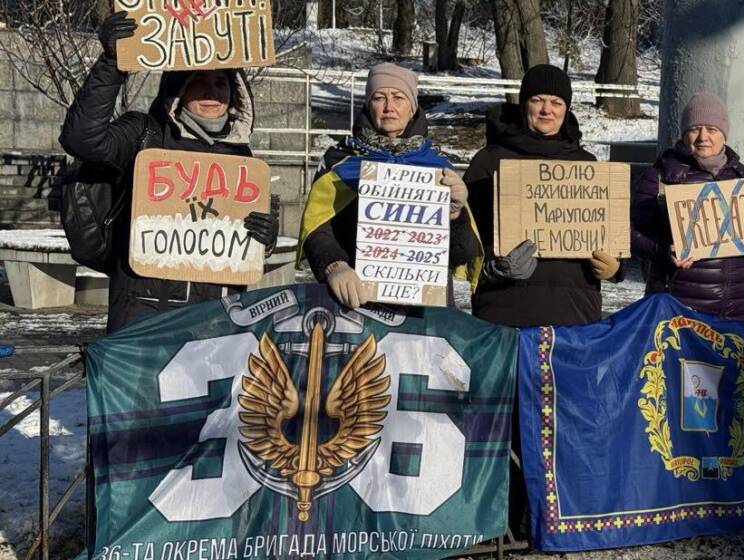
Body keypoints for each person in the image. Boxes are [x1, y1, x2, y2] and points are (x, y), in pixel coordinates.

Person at [58, 12, 278, 333]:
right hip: (144, 314)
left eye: (221, 83)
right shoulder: (142, 135)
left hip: (216, 320)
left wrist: (263, 239)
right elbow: (81, 139)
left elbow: (238, 241)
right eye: (199, 82)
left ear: (235, 94)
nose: (211, 93)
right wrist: (111, 63)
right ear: (178, 90)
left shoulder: (241, 155)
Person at [298, 62, 479, 309]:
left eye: (398, 97)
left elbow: (462, 253)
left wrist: (456, 214)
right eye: (379, 97)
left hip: (424, 311)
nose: (389, 107)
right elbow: (317, 227)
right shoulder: (339, 160)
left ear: (412, 106)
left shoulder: (438, 166)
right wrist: (334, 266)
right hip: (358, 302)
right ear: (368, 104)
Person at [463, 63, 622, 328]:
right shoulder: (489, 162)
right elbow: (465, 239)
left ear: (566, 109)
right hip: (503, 312)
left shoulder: (587, 166)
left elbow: (612, 234)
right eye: (537, 100)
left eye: (556, 102)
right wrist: (493, 266)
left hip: (574, 314)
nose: (546, 110)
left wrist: (615, 268)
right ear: (524, 104)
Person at [631, 92, 744, 321]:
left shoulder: (740, 176)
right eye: (695, 129)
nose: (703, 137)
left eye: (712, 130)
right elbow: (630, 233)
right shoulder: (661, 176)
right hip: (680, 309)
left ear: (723, 134)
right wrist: (664, 250)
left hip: (737, 309)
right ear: (684, 134)